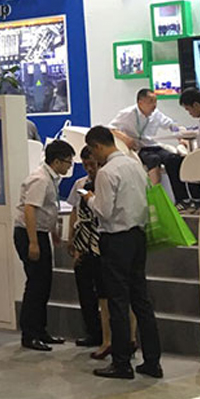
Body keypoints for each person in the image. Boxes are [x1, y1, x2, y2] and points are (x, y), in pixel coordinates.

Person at [82, 126, 162, 380]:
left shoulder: (107, 172)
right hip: (137, 236)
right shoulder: (135, 166)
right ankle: (152, 361)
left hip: (115, 239)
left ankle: (121, 363)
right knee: (142, 300)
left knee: (118, 302)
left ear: (97, 146)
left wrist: (89, 199)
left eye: (92, 151)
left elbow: (104, 211)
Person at [14, 139, 75, 351]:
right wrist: (33, 242)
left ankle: (40, 330)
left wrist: (53, 232)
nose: (69, 166)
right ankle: (30, 334)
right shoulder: (40, 179)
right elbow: (30, 209)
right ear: (56, 161)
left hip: (40, 233)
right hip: (29, 234)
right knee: (36, 285)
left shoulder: (50, 178)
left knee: (44, 284)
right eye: (68, 162)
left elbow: (46, 210)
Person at [110, 88, 192, 210]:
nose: (154, 105)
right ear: (140, 102)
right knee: (154, 160)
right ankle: (155, 200)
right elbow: (111, 129)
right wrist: (126, 139)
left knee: (173, 159)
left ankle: (182, 199)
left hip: (152, 145)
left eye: (155, 101)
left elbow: (171, 125)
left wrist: (181, 137)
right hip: (138, 148)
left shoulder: (156, 114)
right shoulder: (127, 114)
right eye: (151, 101)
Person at [66, 147, 105, 352]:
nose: (90, 169)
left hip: (102, 243)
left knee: (104, 292)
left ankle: (109, 334)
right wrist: (71, 238)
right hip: (83, 242)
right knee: (85, 290)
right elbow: (74, 211)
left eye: (93, 164)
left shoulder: (106, 182)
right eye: (86, 165)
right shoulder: (80, 184)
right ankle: (92, 331)